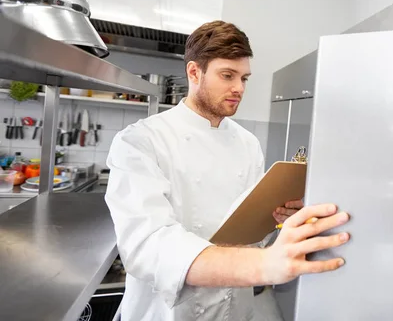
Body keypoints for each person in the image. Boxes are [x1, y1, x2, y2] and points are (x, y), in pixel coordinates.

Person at [104, 20, 350, 321]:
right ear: (195, 72)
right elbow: (146, 246)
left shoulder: (247, 143)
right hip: (167, 313)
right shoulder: (140, 140)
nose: (239, 88)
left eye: (244, 78)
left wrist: (276, 220)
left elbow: (250, 237)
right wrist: (263, 265)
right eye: (227, 75)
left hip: (235, 309)